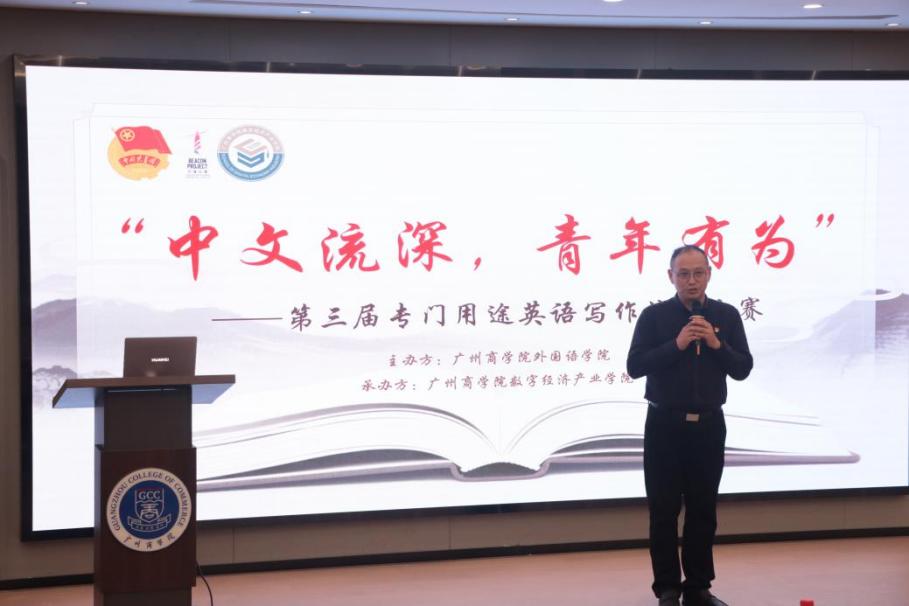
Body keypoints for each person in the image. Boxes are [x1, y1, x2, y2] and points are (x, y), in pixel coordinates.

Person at [626, 245, 753, 606]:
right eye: (683, 274)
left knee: (703, 509)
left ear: (709, 274)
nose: (691, 281)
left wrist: (715, 342)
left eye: (698, 273)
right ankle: (667, 588)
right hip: (664, 425)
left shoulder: (726, 315)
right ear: (671, 277)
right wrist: (677, 344)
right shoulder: (654, 317)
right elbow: (635, 366)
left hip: (709, 426)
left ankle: (698, 587)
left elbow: (742, 368)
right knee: (663, 510)